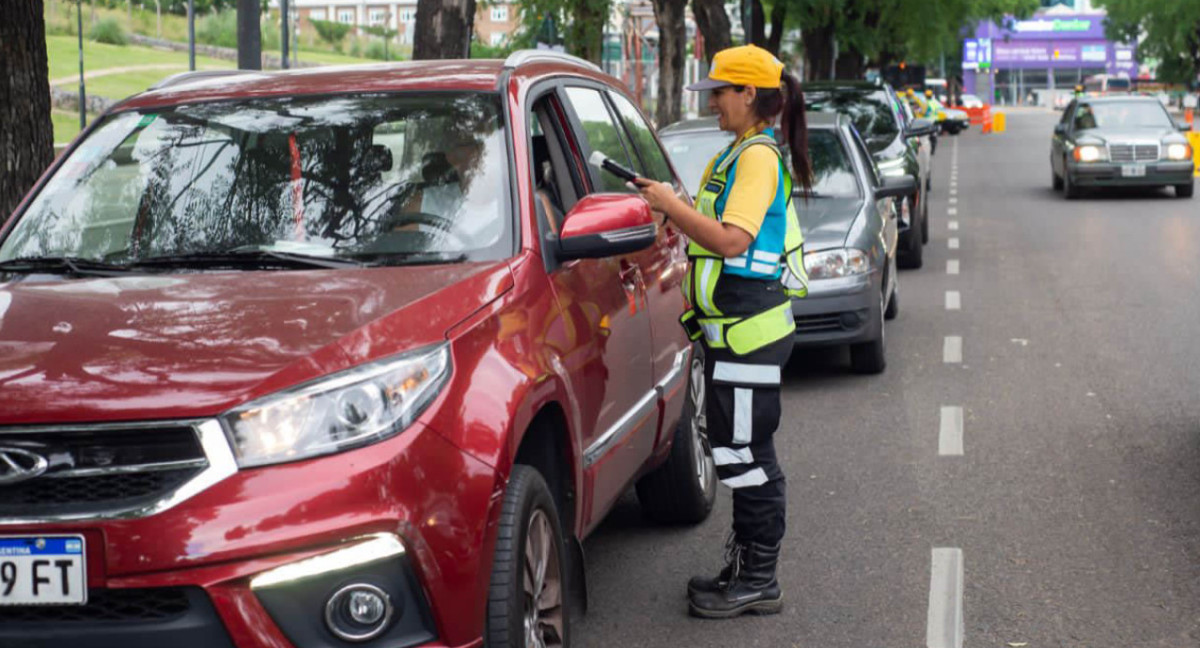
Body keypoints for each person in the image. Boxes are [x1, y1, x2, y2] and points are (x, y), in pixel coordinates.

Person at [632, 44, 812, 619]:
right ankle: (746, 570)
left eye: (720, 92)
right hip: (735, 333)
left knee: (749, 455)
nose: (713, 103)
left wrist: (671, 207)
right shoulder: (738, 153)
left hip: (748, 334)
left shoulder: (757, 157)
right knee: (739, 452)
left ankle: (759, 580)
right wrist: (670, 207)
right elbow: (716, 227)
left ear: (748, 94)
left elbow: (732, 240)